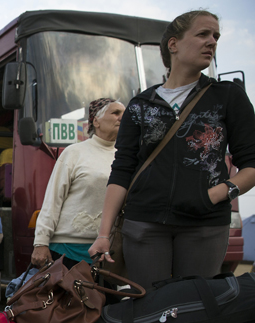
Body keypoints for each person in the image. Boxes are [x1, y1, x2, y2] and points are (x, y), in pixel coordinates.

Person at [89, 11, 255, 289]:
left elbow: (251, 166)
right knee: (149, 309)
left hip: (205, 224)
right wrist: (104, 233)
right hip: (144, 223)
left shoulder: (228, 96)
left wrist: (212, 196)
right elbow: (122, 170)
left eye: (216, 36)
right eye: (203, 34)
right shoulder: (141, 104)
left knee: (195, 308)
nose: (212, 42)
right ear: (173, 44)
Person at [32, 98, 126, 269]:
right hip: (68, 248)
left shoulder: (126, 157)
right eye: (115, 113)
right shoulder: (74, 152)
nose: (122, 117)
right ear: (95, 121)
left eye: (125, 114)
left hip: (111, 249)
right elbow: (53, 200)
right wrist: (41, 242)